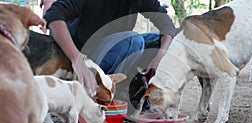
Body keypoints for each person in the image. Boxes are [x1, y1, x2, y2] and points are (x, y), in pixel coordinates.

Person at [43, 0, 176, 99]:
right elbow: (53, 16)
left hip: (114, 47)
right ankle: (102, 91)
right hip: (83, 53)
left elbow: (167, 25)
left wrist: (160, 57)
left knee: (158, 41)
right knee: (133, 41)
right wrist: (77, 60)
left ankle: (135, 88)